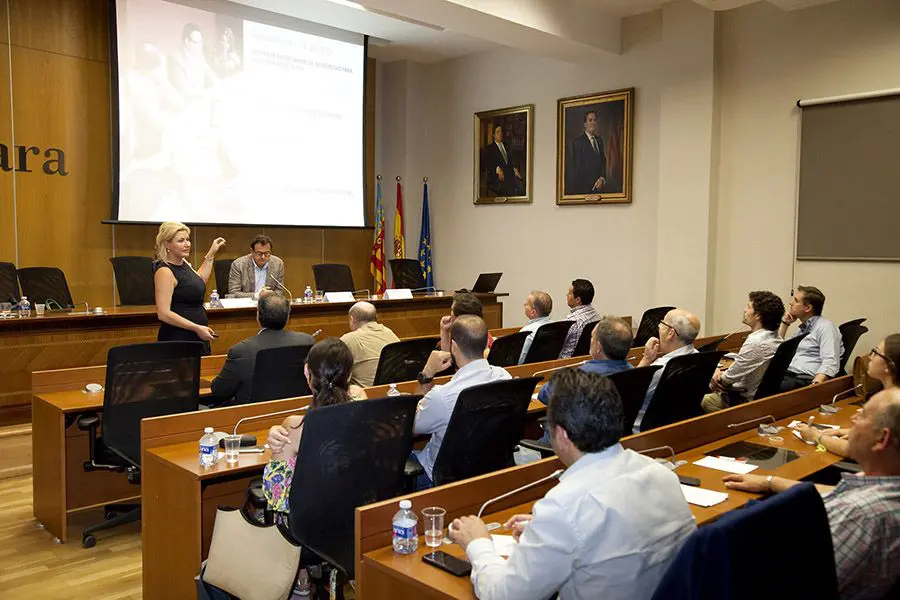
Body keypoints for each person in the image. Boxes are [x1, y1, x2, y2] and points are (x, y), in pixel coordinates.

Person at [448, 369, 696, 600]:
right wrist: (548, 532)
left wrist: (478, 543)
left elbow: (503, 595)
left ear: (561, 434)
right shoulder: (662, 474)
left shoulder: (564, 506)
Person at [722, 387, 900, 600]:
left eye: (862, 415)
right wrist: (770, 482)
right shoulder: (884, 485)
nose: (853, 419)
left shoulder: (859, 515)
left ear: (882, 439)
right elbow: (838, 493)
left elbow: (791, 585)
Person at [262, 338, 366, 598]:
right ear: (349, 375)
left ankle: (301, 579)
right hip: (355, 519)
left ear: (307, 372)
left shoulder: (295, 426)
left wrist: (274, 448)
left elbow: (276, 495)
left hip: (308, 531)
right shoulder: (366, 414)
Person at [411, 315, 511, 488]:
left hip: (440, 481)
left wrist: (427, 373)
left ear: (454, 346)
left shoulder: (441, 396)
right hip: (488, 471)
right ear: (485, 344)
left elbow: (411, 427)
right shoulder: (504, 376)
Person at [795, 334, 900, 457]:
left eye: (875, 352)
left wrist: (816, 436)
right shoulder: (890, 396)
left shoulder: (890, 403)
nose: (870, 357)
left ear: (889, 366)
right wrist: (842, 431)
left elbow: (852, 450)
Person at [208, 294, 314, 406]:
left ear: (258, 315)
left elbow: (219, 390)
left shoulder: (241, 350)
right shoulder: (307, 341)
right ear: (288, 317)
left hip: (251, 414)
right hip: (295, 409)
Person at [701, 291, 784, 412]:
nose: (745, 310)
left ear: (757, 316)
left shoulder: (755, 342)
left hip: (742, 400)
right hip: (763, 398)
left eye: (748, 307)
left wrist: (715, 372)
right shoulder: (776, 338)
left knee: (701, 398)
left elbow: (725, 381)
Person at [153, 222, 225, 355]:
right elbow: (163, 313)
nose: (187, 244)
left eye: (188, 239)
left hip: (197, 336)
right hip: (178, 340)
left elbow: (198, 282)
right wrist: (196, 328)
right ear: (167, 244)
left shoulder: (184, 263)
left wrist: (211, 254)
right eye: (181, 241)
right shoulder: (165, 271)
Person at [537, 315, 634, 405]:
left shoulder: (579, 376)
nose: (590, 341)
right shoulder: (634, 372)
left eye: (592, 337)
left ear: (598, 347)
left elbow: (544, 395)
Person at [632, 308, 701, 432]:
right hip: (680, 426)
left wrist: (646, 359)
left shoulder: (660, 368)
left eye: (662, 323)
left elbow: (631, 393)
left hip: (644, 428)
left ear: (671, 333)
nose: (658, 327)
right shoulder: (699, 358)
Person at [780, 285, 843, 391]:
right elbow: (781, 351)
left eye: (796, 301)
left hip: (802, 380)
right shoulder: (804, 328)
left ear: (808, 308)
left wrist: (815, 386)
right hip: (788, 375)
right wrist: (785, 323)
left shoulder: (826, 327)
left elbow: (831, 361)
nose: (791, 303)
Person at [340, 301, 400, 387]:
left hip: (364, 393)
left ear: (352, 319)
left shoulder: (348, 339)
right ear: (376, 317)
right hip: (392, 390)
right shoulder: (390, 333)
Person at [168, 23, 218, 100]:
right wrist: (207, 93)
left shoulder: (199, 55)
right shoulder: (176, 60)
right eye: (196, 42)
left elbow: (211, 74)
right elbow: (183, 91)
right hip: (185, 104)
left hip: (202, 99)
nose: (200, 46)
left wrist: (216, 84)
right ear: (187, 42)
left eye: (201, 42)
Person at [559, 279, 600, 359]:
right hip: (587, 359)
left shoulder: (571, 321)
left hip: (566, 362)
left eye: (569, 293)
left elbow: (558, 347)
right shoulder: (597, 316)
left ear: (578, 300)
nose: (567, 295)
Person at [568, 111, 606, 195]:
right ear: (585, 124)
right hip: (585, 190)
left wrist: (602, 178)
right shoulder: (578, 142)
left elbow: (603, 161)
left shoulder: (599, 141)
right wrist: (594, 183)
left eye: (595, 120)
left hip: (600, 190)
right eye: (590, 120)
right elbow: (578, 169)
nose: (593, 123)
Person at [484, 125, 523, 197]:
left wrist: (515, 168)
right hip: (497, 176)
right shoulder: (489, 149)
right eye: (498, 132)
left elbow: (512, 159)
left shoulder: (507, 146)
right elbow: (488, 163)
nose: (500, 134)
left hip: (509, 173)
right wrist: (497, 169)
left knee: (521, 186)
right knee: (508, 189)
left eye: (501, 132)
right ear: (494, 135)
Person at [518, 291, 553, 364]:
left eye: (526, 304)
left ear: (533, 312)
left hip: (528, 369)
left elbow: (519, 361)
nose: (524, 304)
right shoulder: (556, 326)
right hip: (550, 367)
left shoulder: (526, 332)